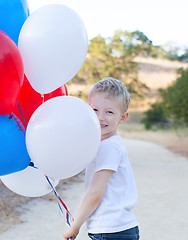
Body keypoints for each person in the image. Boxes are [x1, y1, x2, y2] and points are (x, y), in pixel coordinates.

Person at [63, 77, 139, 240]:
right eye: (95, 110)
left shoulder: (109, 147)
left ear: (123, 118)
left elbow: (96, 192)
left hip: (111, 230)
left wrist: (75, 227)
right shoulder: (105, 144)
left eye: (109, 112)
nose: (100, 117)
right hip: (118, 229)